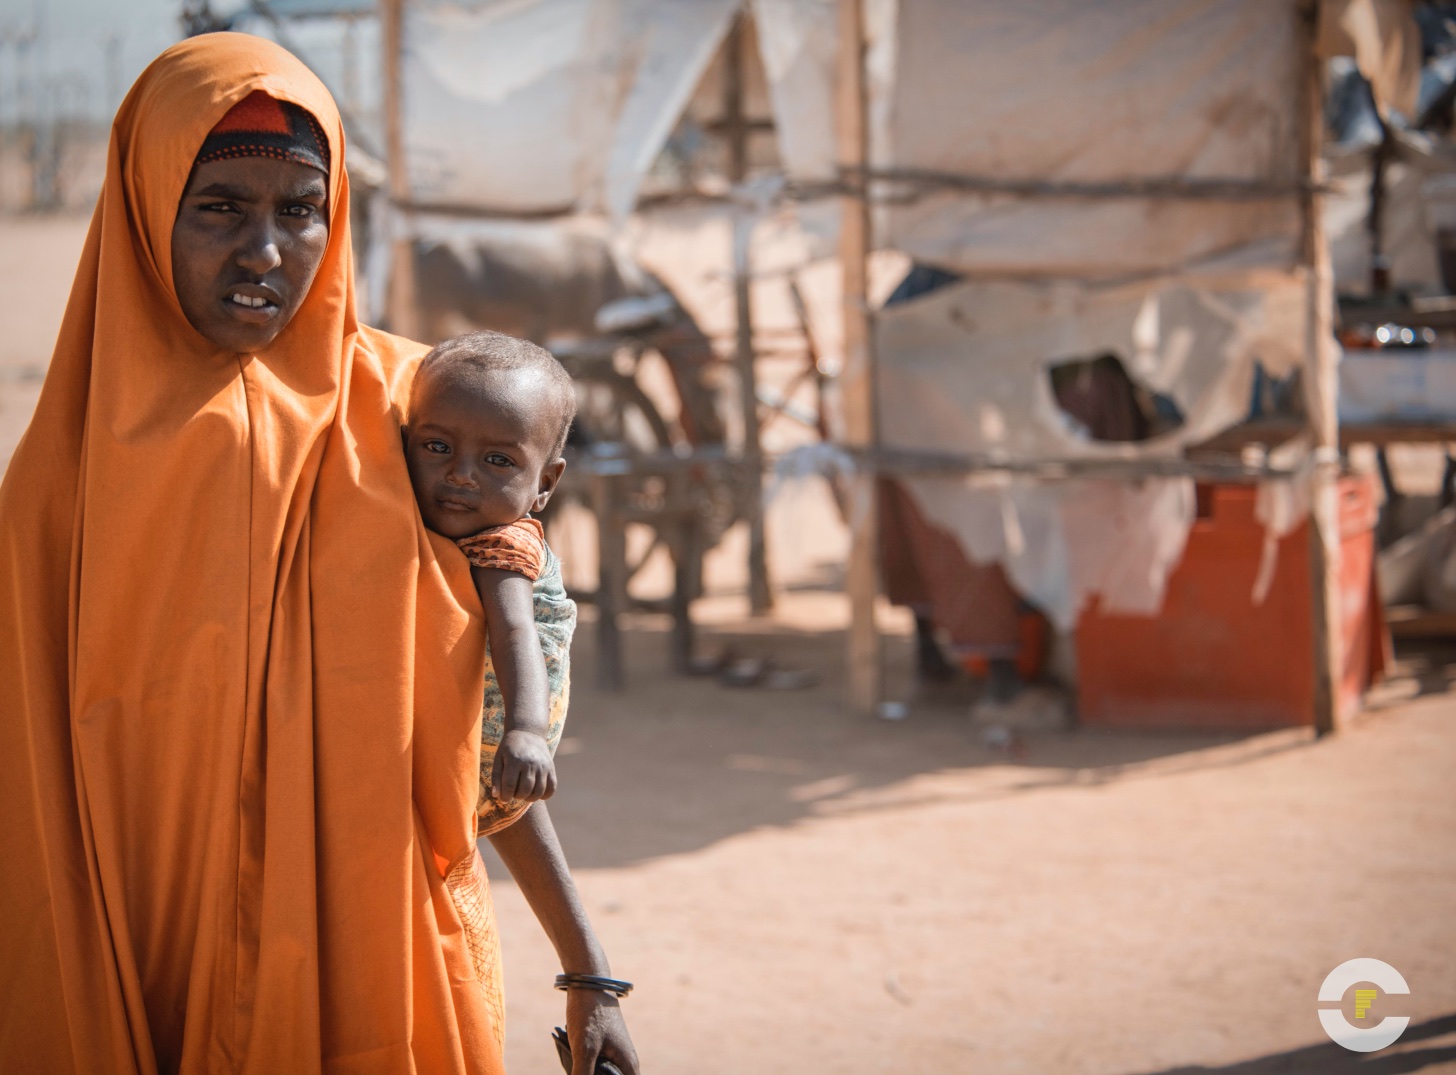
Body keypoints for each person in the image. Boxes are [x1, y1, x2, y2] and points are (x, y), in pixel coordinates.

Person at [0, 33, 638, 1075]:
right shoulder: (55, 500)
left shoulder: (417, 422)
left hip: (376, 968)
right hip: (137, 976)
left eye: (301, 210)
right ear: (142, 204)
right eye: (218, 208)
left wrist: (586, 966)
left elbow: (474, 752)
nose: (265, 253)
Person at [401, 331, 577, 823]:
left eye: (498, 461)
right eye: (436, 447)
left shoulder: (503, 548)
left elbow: (515, 630)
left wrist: (525, 732)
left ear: (544, 484)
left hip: (490, 764)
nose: (461, 474)